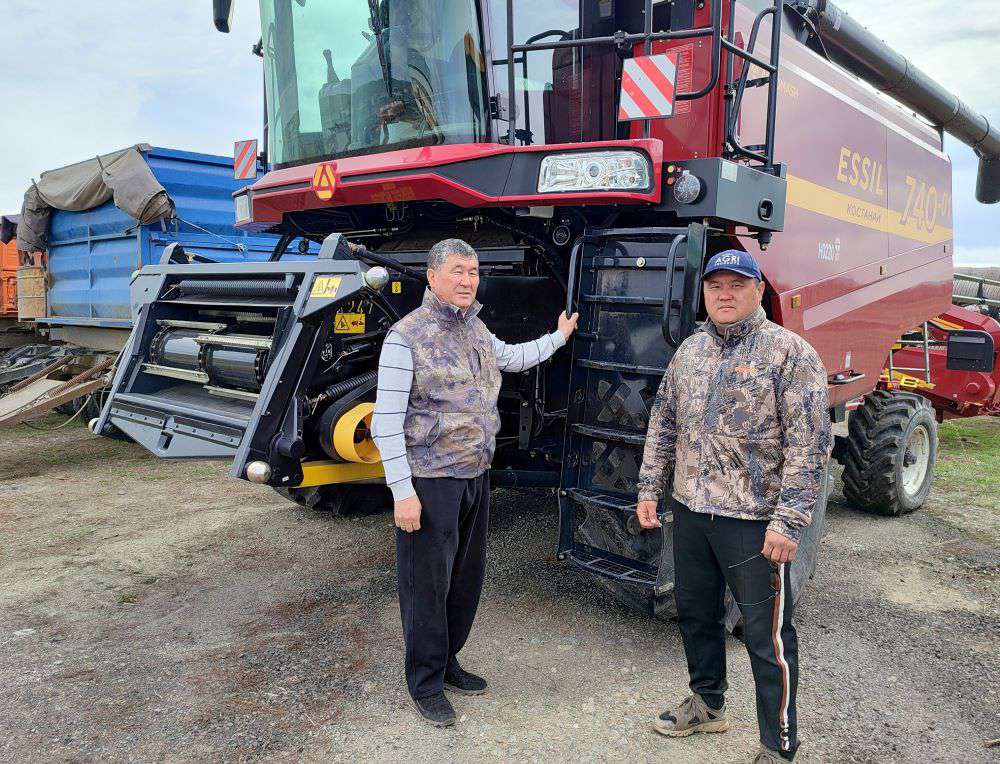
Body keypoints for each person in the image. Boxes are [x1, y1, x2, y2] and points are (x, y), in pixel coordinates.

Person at [371, 238, 578, 727]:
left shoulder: (477, 328)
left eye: (474, 272)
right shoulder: (405, 337)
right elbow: (385, 422)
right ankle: (425, 683)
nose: (468, 281)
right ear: (432, 276)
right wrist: (402, 492)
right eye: (458, 271)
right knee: (427, 584)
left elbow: (514, 357)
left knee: (465, 580)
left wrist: (558, 336)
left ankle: (448, 662)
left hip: (475, 475)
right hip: (430, 481)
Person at [635, 249, 831, 763]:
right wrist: (649, 489)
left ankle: (778, 746)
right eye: (715, 285)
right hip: (692, 512)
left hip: (756, 523)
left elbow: (810, 446)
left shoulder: (790, 355)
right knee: (696, 616)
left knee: (768, 640)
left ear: (758, 291)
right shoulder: (690, 351)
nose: (724, 294)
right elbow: (663, 423)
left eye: (737, 285)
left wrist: (788, 522)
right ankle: (708, 704)